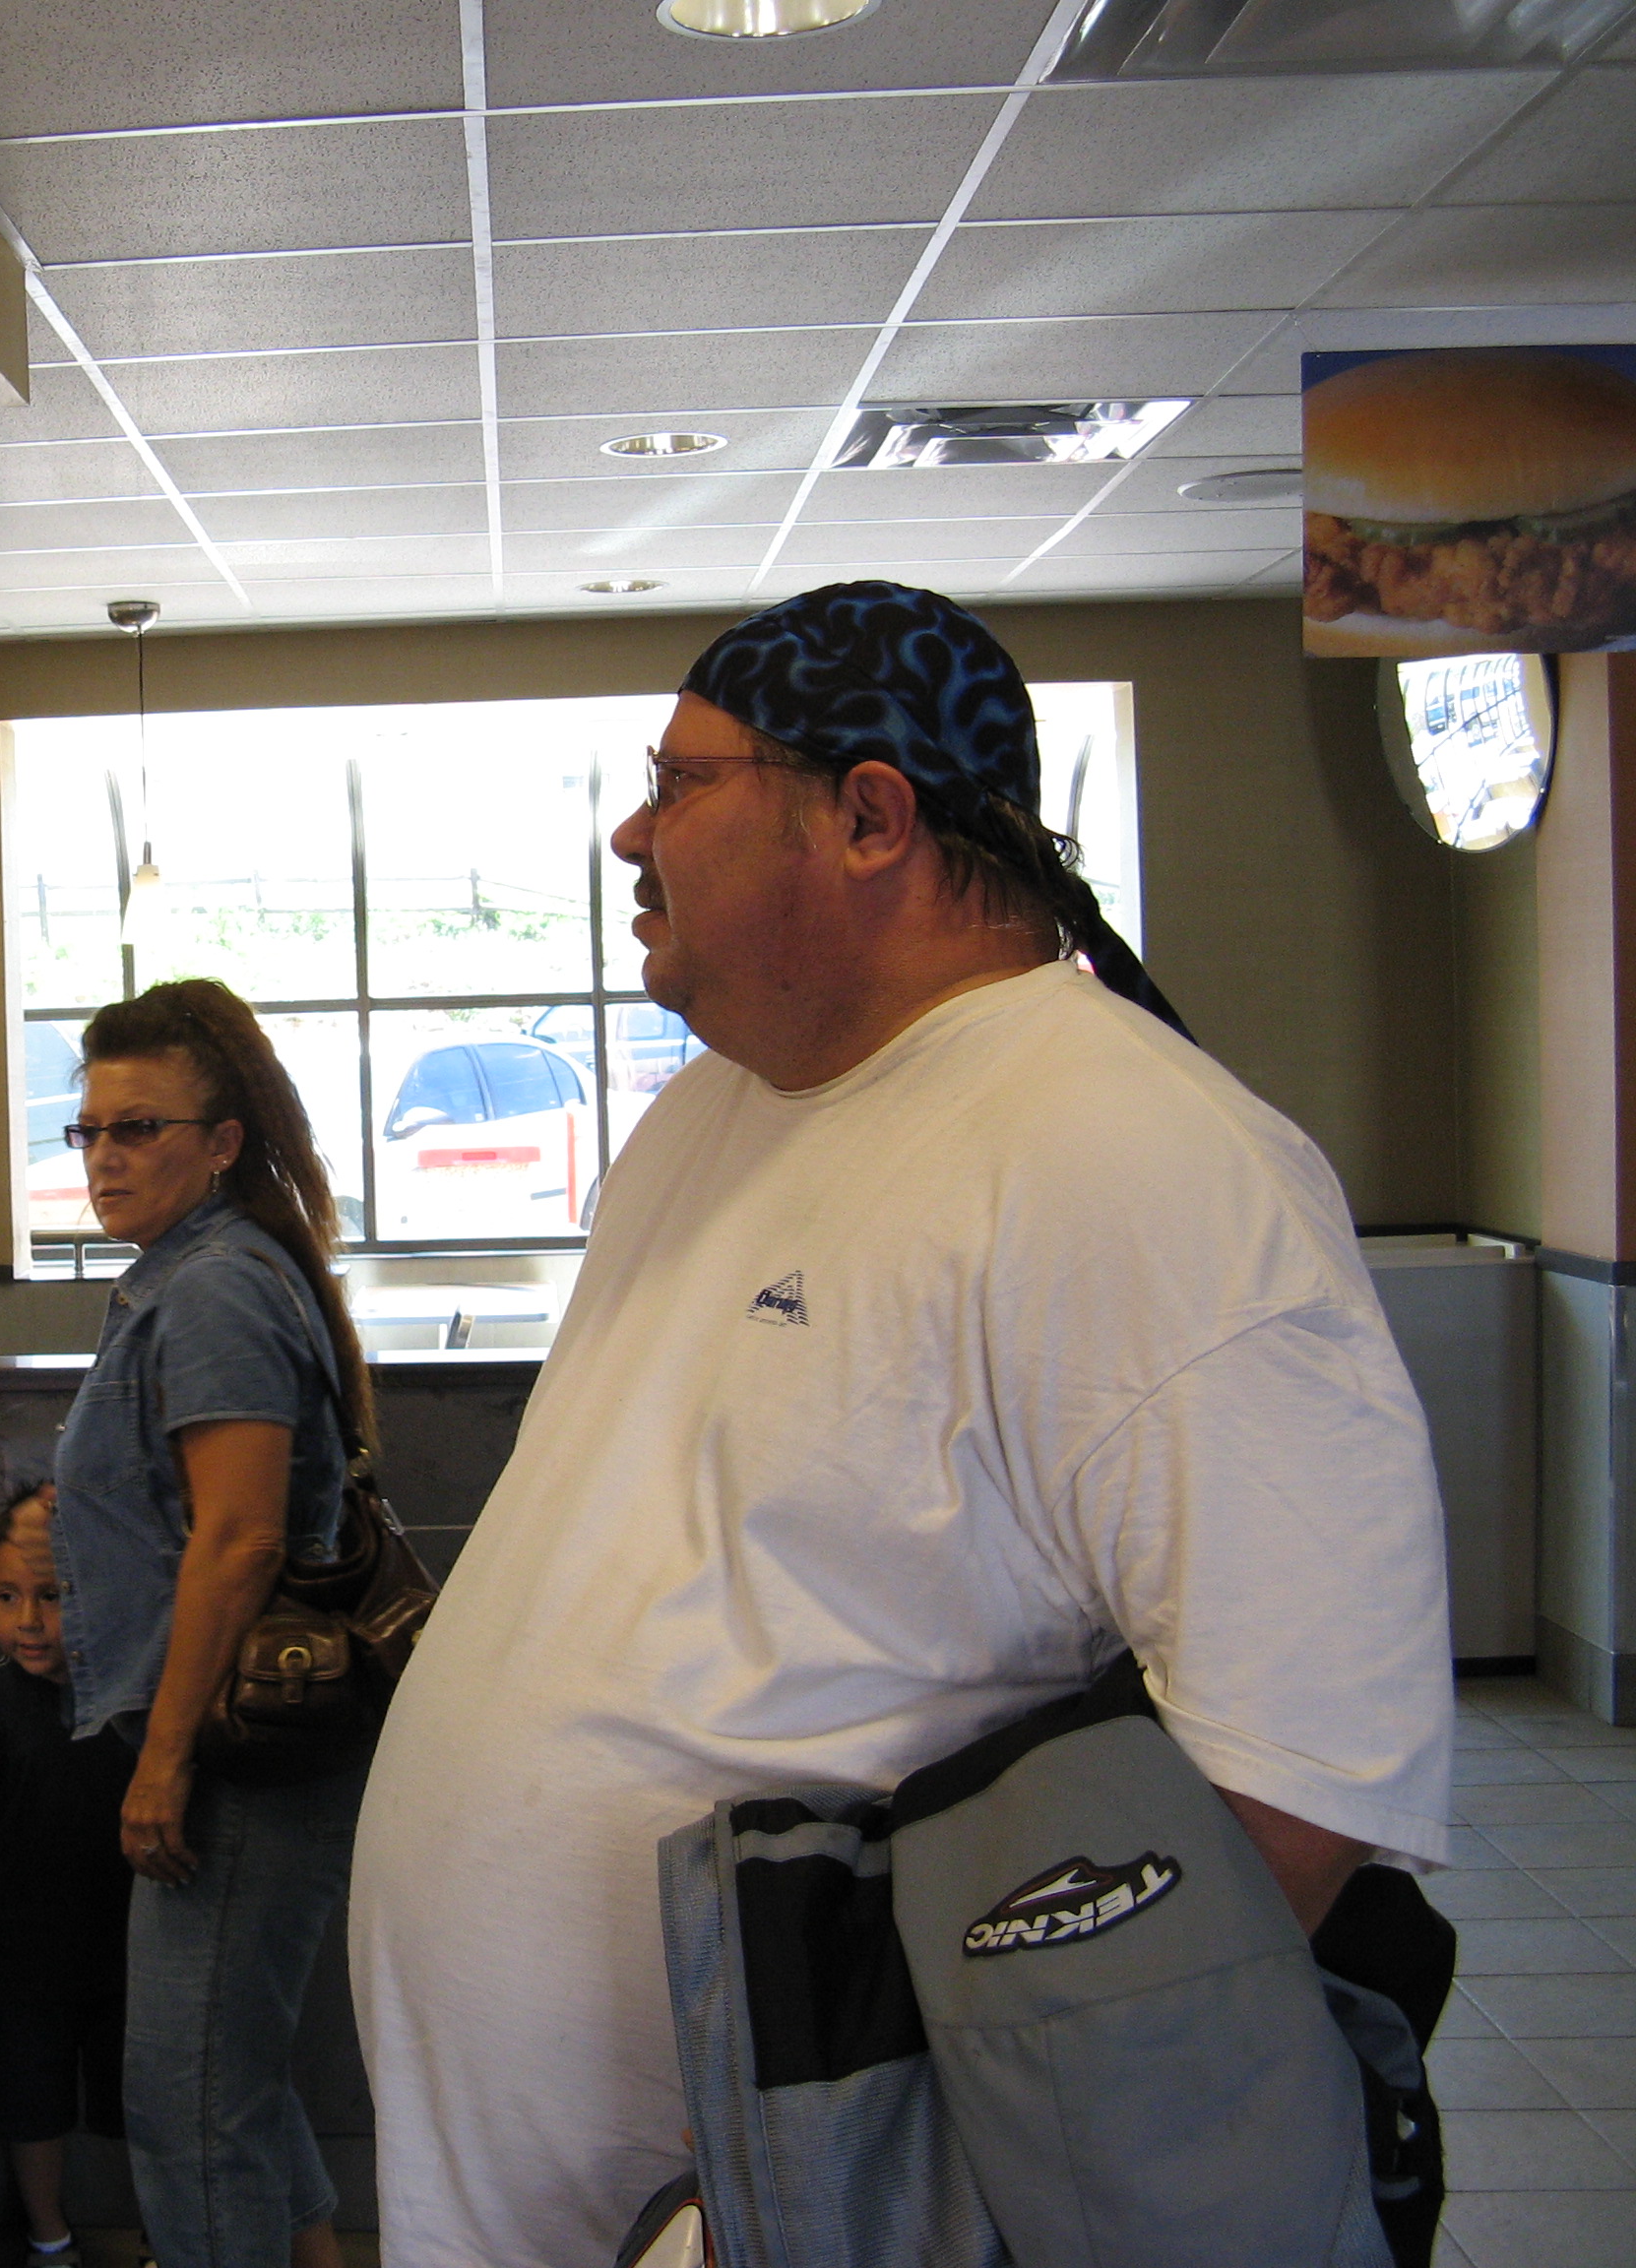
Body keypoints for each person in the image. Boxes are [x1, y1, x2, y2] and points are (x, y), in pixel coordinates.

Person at [348, 581, 1454, 2268]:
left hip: (808, 2201)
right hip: (550, 2186)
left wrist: (882, 2175)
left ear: (869, 816)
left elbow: (1295, 1785)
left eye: (679, 782)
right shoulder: (704, 1115)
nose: (631, 833)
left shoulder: (1131, 1151)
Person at [50, 978, 368, 2268]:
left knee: (186, 2108)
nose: (106, 1157)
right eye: (89, 1130)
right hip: (242, 1745)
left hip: (237, 1755)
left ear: (223, 1140)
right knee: (226, 2078)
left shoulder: (215, 1289)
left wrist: (166, 1760)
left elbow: (238, 1540)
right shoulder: (196, 1271)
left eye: (140, 1130)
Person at [0, 1480, 136, 2268]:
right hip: (22, 1950)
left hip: (127, 1944)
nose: (30, 1621)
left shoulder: (133, 1694)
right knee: (28, 2099)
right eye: (6, 1597)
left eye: (53, 1595)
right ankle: (50, 2236)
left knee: (143, 2097)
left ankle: (163, 2228)